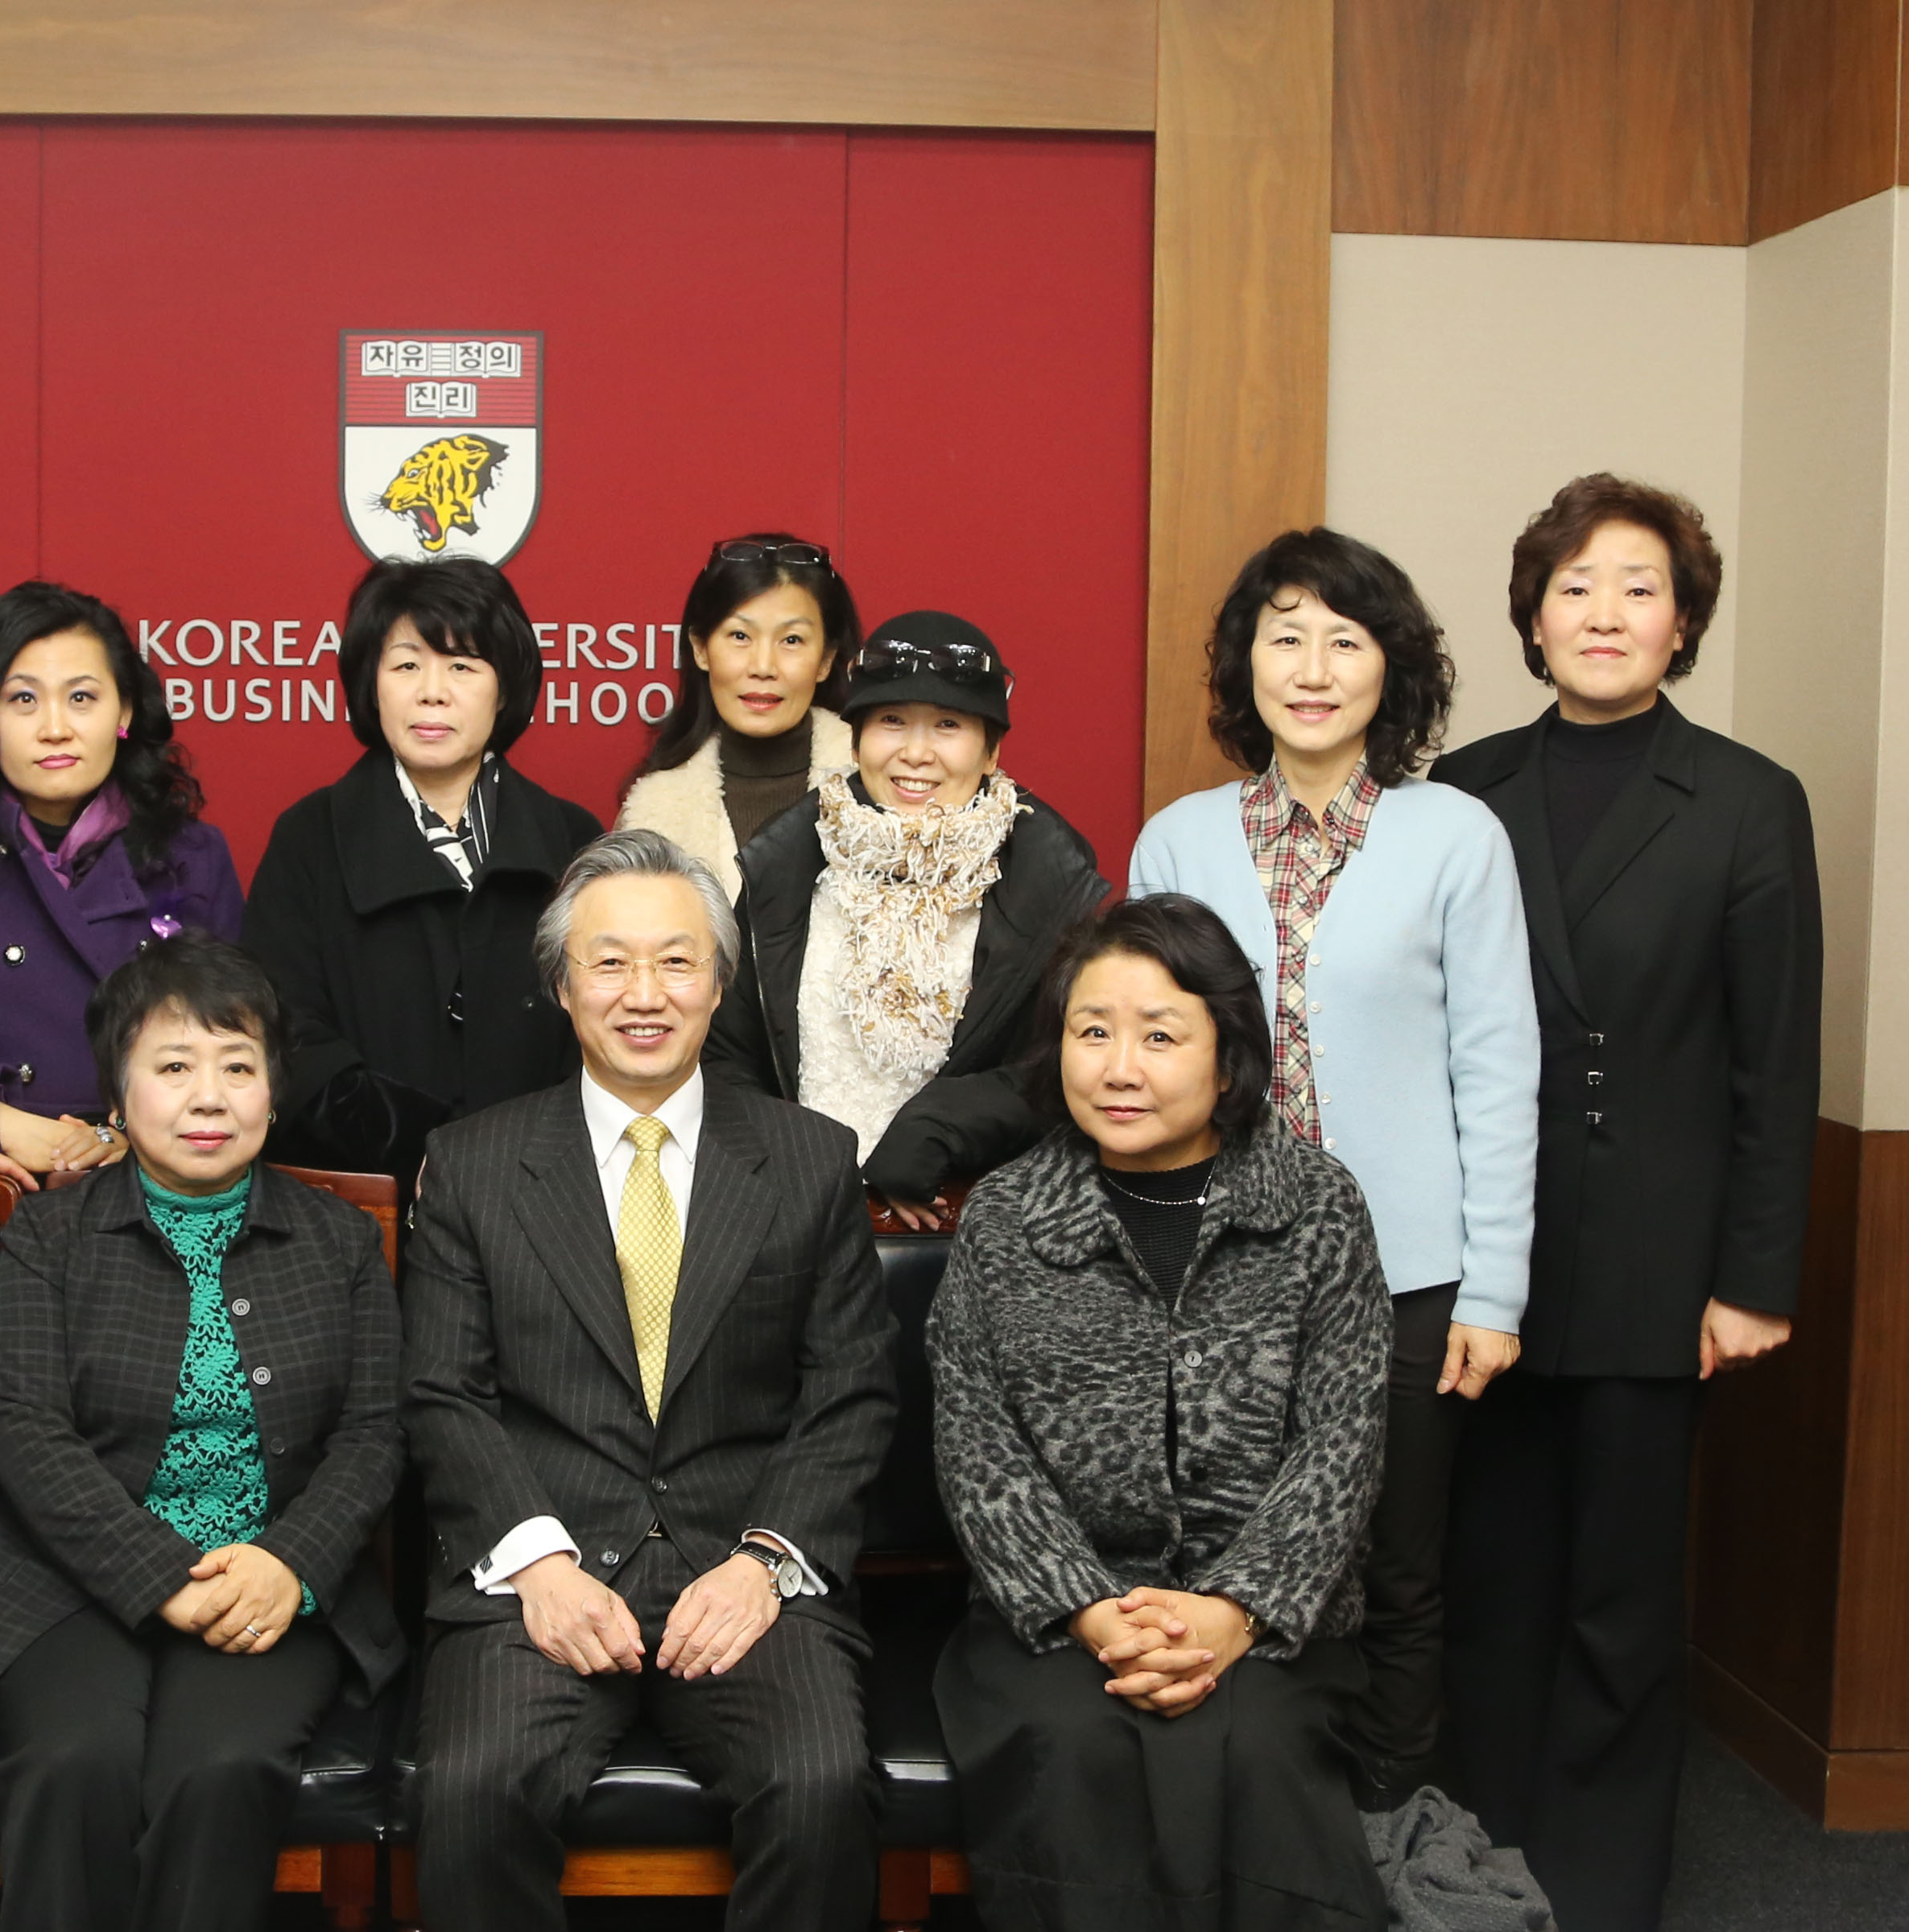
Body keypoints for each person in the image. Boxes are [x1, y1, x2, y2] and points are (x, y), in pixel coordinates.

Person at [1434, 475, 1820, 1932]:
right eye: (1575, 586)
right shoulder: (1461, 787)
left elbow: (1775, 1059)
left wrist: (1754, 1277)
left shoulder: (1746, 798)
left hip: (1660, 1262)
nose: (1604, 612)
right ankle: (1472, 1863)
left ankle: (1599, 1888)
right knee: (1486, 1577)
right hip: (1486, 1251)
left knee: (1620, 1593)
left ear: (1681, 624)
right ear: (1532, 619)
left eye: (1638, 588)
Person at [403, 828, 898, 1932]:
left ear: (718, 984)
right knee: (474, 1792)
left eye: (677, 961)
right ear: (561, 985)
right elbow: (443, 1394)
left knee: (819, 1787)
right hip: (540, 1567)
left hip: (742, 1563)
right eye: (610, 962)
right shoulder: (473, 1163)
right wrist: (538, 1564)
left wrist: (766, 1563)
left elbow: (850, 1394)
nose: (644, 993)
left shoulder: (810, 1159)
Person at [1127, 529, 1536, 1806]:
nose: (1311, 669)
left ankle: (1384, 1833)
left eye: (1343, 641)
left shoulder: (1455, 836)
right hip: (1217, 1269)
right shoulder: (1178, 841)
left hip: (1407, 1275)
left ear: (1389, 668)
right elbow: (1143, 1066)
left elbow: (1496, 1066)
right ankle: (1254, 1824)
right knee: (1229, 1561)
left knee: (1394, 1572)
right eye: (1284, 637)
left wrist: (1492, 1290)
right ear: (1243, 663)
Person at [928, 894, 1389, 1930]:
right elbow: (978, 1449)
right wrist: (1091, 1611)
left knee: (1256, 1748)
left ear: (1228, 1060)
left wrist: (1234, 1612)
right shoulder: (1006, 1217)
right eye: (1092, 1033)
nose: (1119, 1068)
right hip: (1053, 1616)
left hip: (1268, 1619)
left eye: (1161, 1037)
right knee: (1074, 1745)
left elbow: (1342, 1444)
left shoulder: (1317, 1207)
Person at [0, 934, 405, 1932]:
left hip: (268, 1585)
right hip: (67, 1587)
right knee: (74, 1762)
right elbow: (26, 1432)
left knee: (223, 1767)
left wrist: (290, 1564)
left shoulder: (337, 1239)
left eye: (238, 1068)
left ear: (273, 1094)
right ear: (117, 1098)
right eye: (172, 1067)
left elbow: (374, 1434)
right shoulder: (50, 1237)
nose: (209, 1098)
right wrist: (160, 1577)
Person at [706, 610, 1109, 1228]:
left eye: (948, 725)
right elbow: (725, 1056)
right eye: (892, 721)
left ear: (991, 750)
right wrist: (795, 1164)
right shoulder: (782, 869)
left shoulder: (1052, 886)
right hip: (798, 1222)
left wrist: (945, 1123)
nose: (915, 754)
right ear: (857, 741)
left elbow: (1077, 1064)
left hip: (986, 1227)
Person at [0, 581, 242, 1187]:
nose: (55, 728)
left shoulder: (194, 857)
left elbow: (238, 1042)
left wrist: (130, 1130)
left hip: (151, 1182)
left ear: (124, 713)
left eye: (82, 697)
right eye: (23, 700)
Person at [244, 557, 605, 1181]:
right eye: (407, 665)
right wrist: (409, 1146)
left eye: (462, 666)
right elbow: (282, 1031)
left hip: (547, 1187)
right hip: (362, 1194)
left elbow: (609, 1020)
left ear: (505, 688)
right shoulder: (308, 837)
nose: (432, 691)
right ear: (371, 684)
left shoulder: (572, 838)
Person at [614, 534, 858, 898]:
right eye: (740, 636)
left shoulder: (876, 788)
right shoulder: (649, 814)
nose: (763, 667)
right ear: (701, 649)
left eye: (792, 640)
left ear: (825, 660)